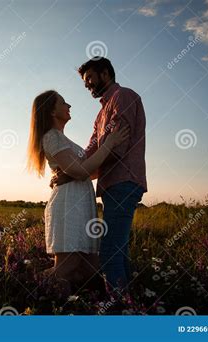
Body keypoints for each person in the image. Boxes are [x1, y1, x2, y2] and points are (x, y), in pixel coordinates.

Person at [51, 57, 147, 292]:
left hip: (124, 182)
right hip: (112, 185)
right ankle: (130, 304)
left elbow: (118, 147)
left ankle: (117, 309)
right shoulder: (100, 114)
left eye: (90, 78)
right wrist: (70, 169)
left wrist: (74, 175)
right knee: (119, 251)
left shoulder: (123, 97)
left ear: (105, 73)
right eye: (85, 81)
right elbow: (91, 151)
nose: (87, 85)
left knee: (109, 252)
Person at [26, 89, 129, 290]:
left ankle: (76, 304)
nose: (69, 106)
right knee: (69, 265)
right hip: (68, 204)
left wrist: (107, 153)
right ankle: (27, 288)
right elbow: (80, 171)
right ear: (51, 111)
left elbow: (86, 170)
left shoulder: (63, 139)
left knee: (89, 268)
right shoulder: (51, 137)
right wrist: (109, 143)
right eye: (63, 103)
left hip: (81, 203)